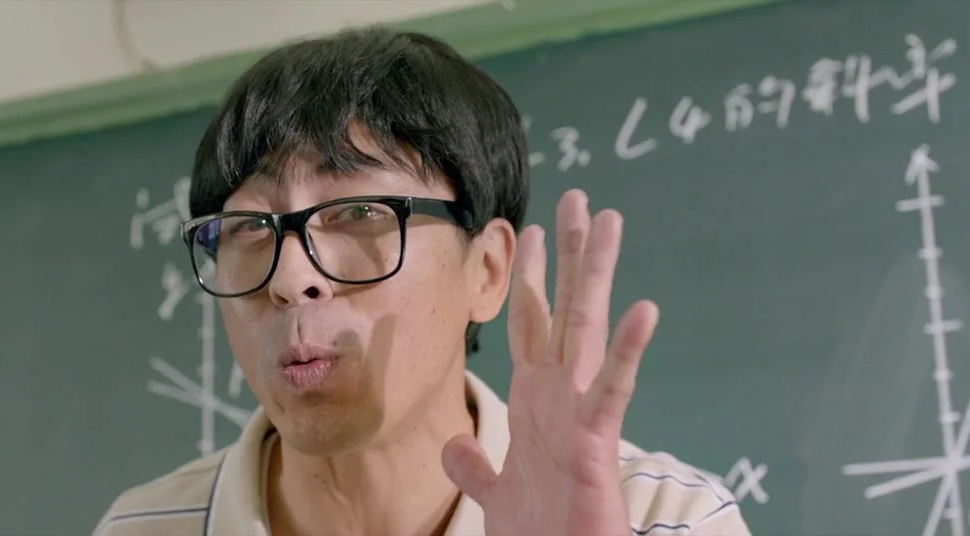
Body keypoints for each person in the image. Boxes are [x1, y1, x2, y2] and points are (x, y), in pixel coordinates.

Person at [94, 26, 751, 536]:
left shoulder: (661, 519)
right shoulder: (141, 528)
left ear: (486, 270)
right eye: (248, 227)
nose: (292, 279)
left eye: (358, 213)